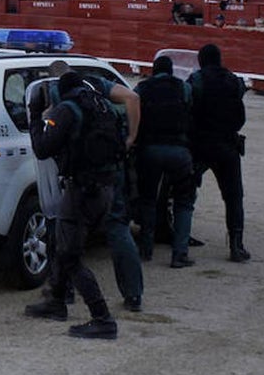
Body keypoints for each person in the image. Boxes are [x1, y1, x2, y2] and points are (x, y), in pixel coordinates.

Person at [32, 61, 144, 312]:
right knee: (117, 227)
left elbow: (50, 125)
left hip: (81, 173)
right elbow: (133, 98)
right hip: (110, 169)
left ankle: (65, 296)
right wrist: (130, 138)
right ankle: (133, 295)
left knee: (66, 231)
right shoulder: (94, 84)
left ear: (53, 78)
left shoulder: (57, 92)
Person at [25, 70, 121, 339]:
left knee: (70, 254)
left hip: (81, 189)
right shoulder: (100, 105)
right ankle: (56, 301)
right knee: (64, 241)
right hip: (104, 187)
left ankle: (102, 318)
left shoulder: (68, 110)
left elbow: (42, 149)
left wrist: (35, 116)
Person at [134, 55, 197, 268]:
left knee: (148, 199)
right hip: (179, 150)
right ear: (171, 71)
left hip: (150, 150)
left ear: (153, 70)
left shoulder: (142, 89)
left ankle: (146, 249)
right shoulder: (184, 88)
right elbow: (191, 113)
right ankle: (179, 254)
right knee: (184, 201)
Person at [188, 44, 250, 262]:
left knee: (184, 192)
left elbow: (188, 108)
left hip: (200, 145)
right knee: (234, 197)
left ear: (201, 61)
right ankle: (236, 246)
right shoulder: (234, 81)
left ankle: (179, 241)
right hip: (227, 144)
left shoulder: (196, 80)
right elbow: (240, 112)